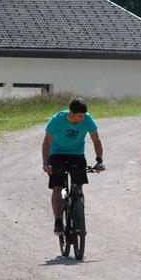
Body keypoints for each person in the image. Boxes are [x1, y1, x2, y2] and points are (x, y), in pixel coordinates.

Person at [42, 98, 104, 235]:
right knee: (57, 186)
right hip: (57, 154)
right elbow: (47, 141)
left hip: (77, 154)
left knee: (79, 185)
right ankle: (58, 220)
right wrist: (46, 162)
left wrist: (100, 160)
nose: (82, 119)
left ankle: (79, 214)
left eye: (83, 116)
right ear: (71, 113)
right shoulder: (57, 120)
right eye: (79, 116)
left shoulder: (87, 119)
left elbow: (96, 139)